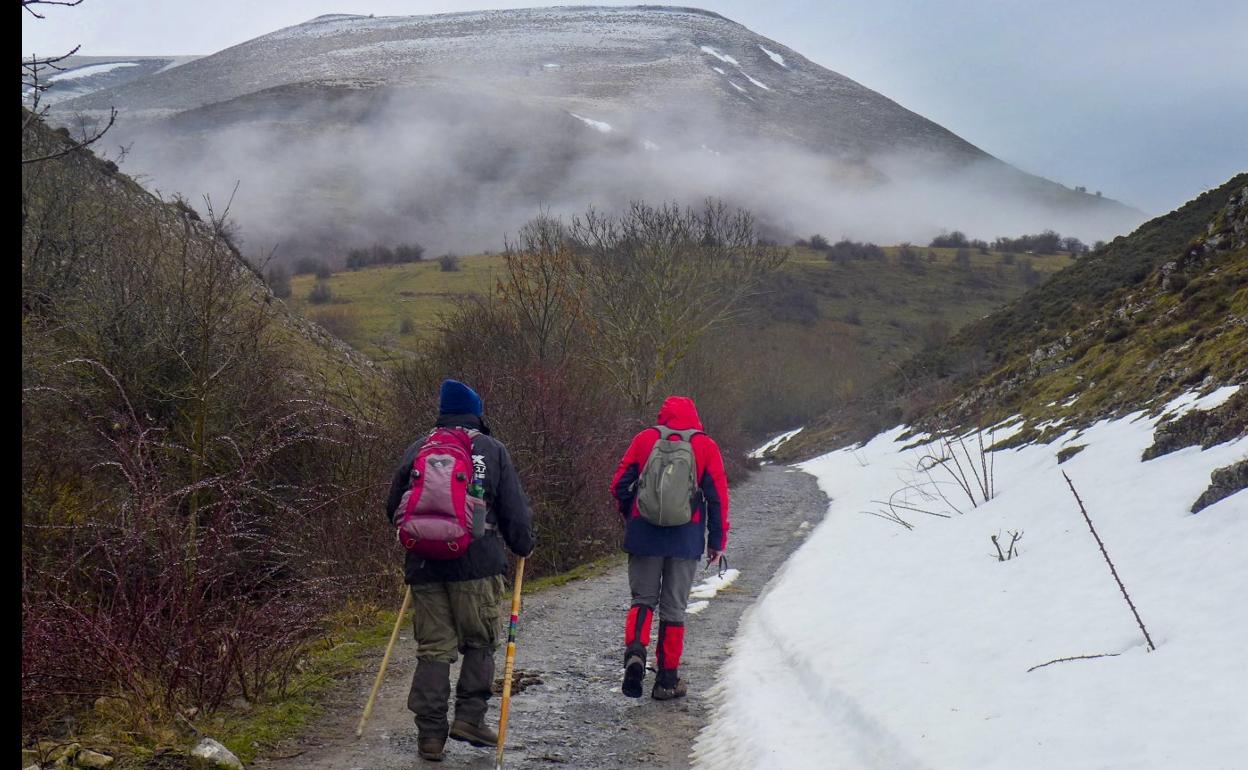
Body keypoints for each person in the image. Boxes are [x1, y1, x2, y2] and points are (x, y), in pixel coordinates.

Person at [385, 379, 534, 762]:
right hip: (477, 566)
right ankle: (469, 718)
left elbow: (392, 509)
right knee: (480, 642)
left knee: (433, 649)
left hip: (424, 565)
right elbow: (515, 511)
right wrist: (523, 545)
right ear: (477, 413)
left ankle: (430, 737)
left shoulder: (419, 448)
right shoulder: (491, 450)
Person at [609, 395, 730, 700]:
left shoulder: (645, 439)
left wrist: (632, 514)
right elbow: (718, 498)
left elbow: (619, 485)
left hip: (643, 536)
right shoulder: (705, 446)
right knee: (674, 609)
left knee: (643, 600)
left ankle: (636, 655)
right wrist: (717, 541)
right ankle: (666, 680)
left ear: (663, 415)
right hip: (685, 539)